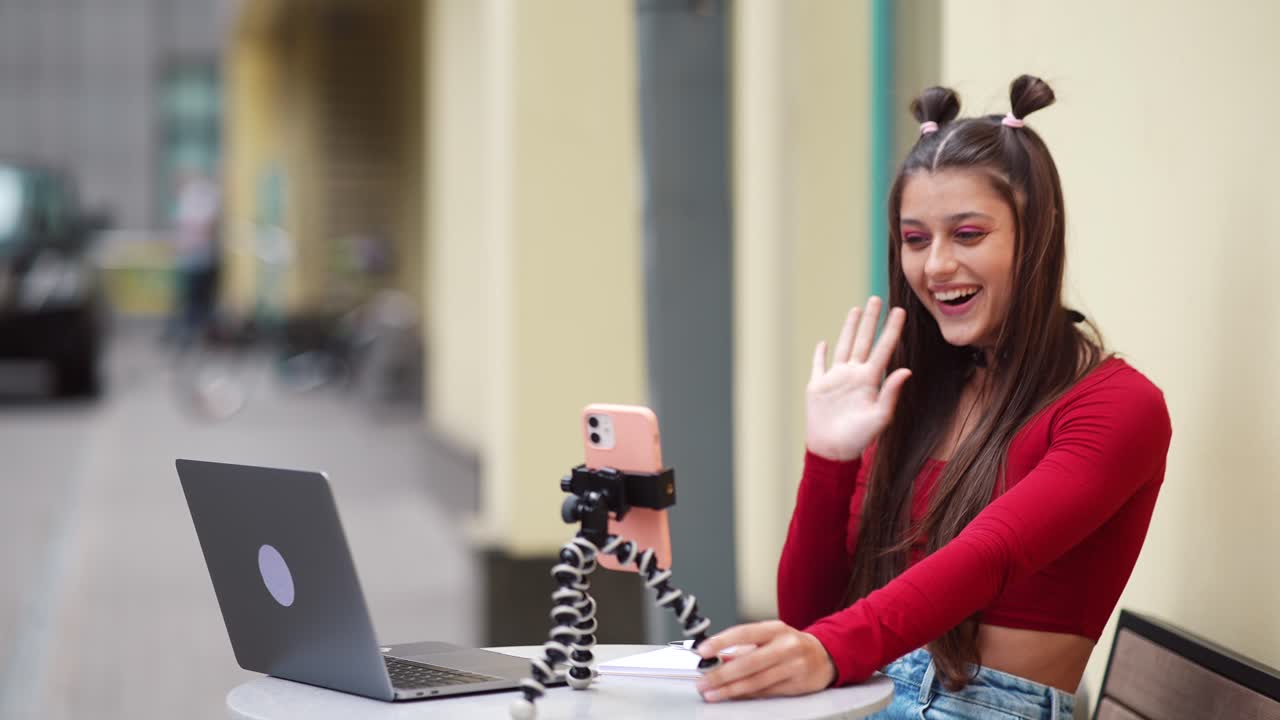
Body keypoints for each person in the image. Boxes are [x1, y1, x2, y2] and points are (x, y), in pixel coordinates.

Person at [691, 75, 1172, 719]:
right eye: (915, 239)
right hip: (868, 692)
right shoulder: (917, 394)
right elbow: (810, 622)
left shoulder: (1116, 406)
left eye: (968, 234)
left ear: (1037, 236)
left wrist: (832, 650)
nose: (935, 265)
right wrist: (828, 459)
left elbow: (989, 554)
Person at [169, 169, 222, 344]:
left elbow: (205, 227)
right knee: (194, 302)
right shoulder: (193, 200)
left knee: (197, 301)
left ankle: (196, 334)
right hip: (195, 260)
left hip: (200, 260)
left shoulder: (196, 200)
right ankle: (194, 334)